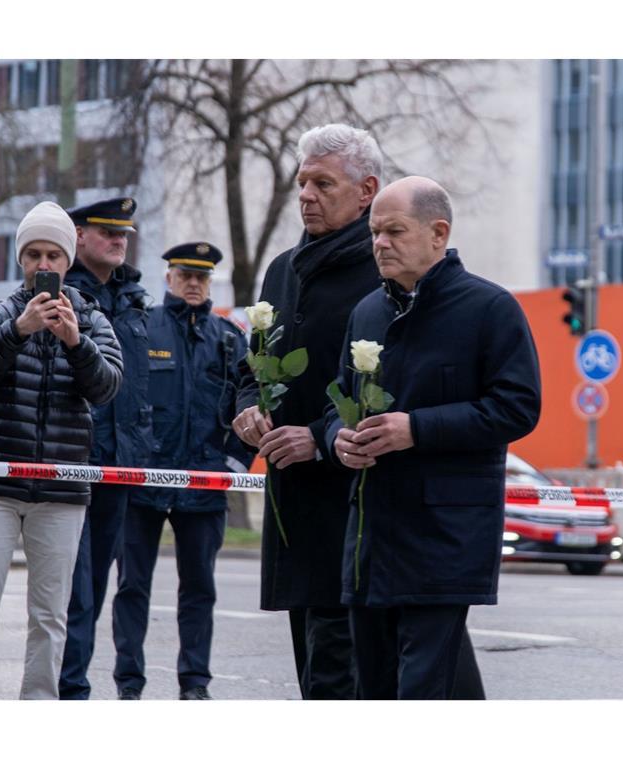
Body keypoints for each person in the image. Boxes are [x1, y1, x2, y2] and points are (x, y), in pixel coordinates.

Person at [328, 176, 542, 699]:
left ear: (437, 233)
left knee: (422, 691)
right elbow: (339, 396)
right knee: (374, 692)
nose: (380, 243)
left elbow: (518, 407)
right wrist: (339, 438)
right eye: (375, 232)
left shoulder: (490, 309)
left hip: (445, 538)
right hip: (371, 538)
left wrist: (415, 428)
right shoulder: (367, 312)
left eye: (394, 231)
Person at [0, 201, 122, 699]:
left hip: (62, 491)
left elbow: (106, 388)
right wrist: (18, 330)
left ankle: (37, 715)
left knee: (50, 614)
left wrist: (75, 342)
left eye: (54, 255)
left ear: (68, 260)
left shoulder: (93, 319)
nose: (44, 266)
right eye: (33, 255)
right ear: (20, 260)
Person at [231, 123, 384, 699]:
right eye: (302, 183)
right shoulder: (281, 269)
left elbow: (389, 386)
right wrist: (248, 410)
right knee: (312, 663)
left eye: (323, 183)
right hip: (292, 500)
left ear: (366, 190)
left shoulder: (382, 272)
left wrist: (319, 438)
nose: (306, 196)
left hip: (353, 501)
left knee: (341, 669)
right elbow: (252, 367)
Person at [110, 242, 253, 700]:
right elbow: (121, 401)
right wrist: (129, 461)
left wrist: (231, 466)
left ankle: (195, 684)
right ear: (169, 277)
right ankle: (128, 683)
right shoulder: (141, 329)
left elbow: (249, 406)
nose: (194, 284)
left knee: (199, 590)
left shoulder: (230, 340)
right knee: (132, 586)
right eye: (185, 275)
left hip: (204, 486)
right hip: (143, 483)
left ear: (210, 282)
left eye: (202, 277)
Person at [59, 196, 152, 699]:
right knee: (73, 593)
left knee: (93, 592)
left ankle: (73, 686)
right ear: (78, 237)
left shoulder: (133, 299)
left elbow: (138, 388)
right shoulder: (61, 296)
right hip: (73, 461)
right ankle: (69, 693)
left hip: (118, 465)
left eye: (124, 232)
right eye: (107, 231)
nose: (120, 239)